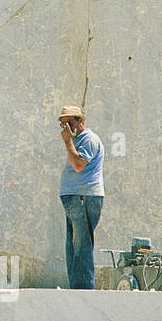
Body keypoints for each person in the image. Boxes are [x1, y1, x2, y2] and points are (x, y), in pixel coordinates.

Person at [58, 104, 104, 289]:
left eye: (69, 123)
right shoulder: (77, 140)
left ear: (80, 121)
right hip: (74, 197)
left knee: (81, 244)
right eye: (63, 125)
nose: (66, 128)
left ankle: (84, 289)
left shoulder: (89, 139)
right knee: (73, 246)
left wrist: (68, 142)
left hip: (83, 197)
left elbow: (79, 165)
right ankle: (76, 288)